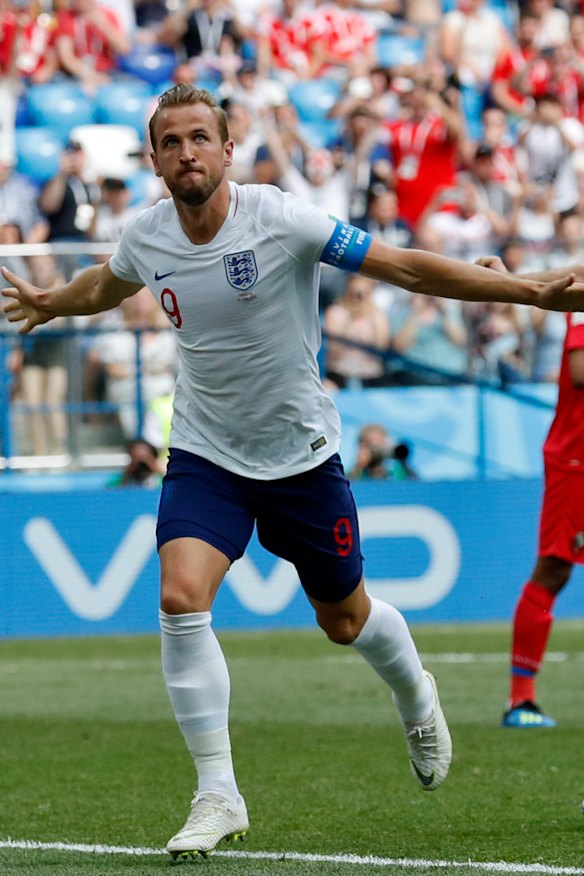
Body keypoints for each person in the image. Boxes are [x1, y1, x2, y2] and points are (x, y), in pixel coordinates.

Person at [3, 84, 584, 861]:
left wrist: (530, 289)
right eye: (171, 143)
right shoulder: (146, 235)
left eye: (200, 138)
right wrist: (50, 300)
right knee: (180, 596)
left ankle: (415, 692)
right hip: (207, 453)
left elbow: (404, 268)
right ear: (154, 158)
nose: (187, 154)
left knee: (344, 619)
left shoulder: (281, 218)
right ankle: (217, 792)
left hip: (302, 456)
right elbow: (105, 285)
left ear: (227, 147)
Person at [477, 252, 584, 728]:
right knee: (553, 570)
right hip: (576, 460)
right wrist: (505, 282)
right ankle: (520, 700)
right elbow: (580, 371)